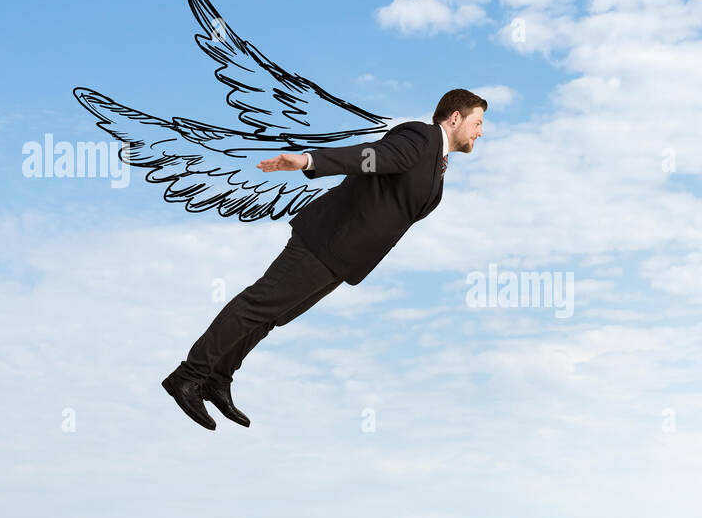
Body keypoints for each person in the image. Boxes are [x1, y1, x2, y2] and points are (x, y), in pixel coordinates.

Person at [161, 89, 487, 429]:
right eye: (477, 123)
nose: (480, 132)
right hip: (326, 240)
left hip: (342, 258)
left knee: (271, 317)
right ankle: (188, 376)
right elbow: (370, 157)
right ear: (455, 118)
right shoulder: (420, 138)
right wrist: (309, 161)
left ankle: (217, 379)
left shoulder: (438, 163)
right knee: (257, 305)